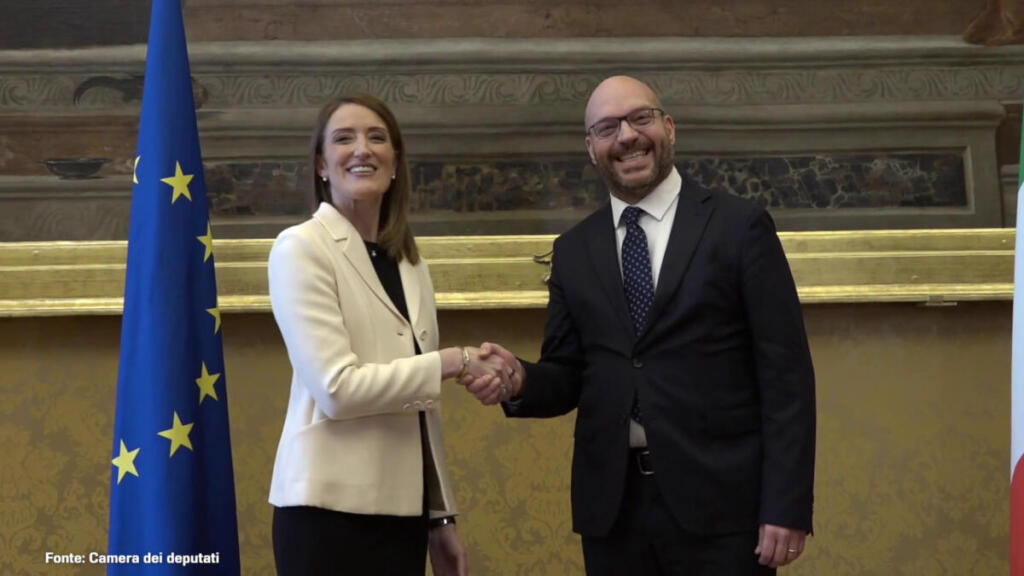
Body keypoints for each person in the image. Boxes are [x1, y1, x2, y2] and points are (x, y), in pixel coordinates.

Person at [461, 76, 816, 575]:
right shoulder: (574, 250)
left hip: (723, 511)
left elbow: (787, 378)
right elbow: (569, 373)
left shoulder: (739, 227)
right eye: (607, 128)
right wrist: (519, 379)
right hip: (615, 513)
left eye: (640, 119)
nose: (626, 136)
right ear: (591, 149)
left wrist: (785, 505)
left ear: (669, 128)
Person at [267, 94, 505, 576]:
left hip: (404, 518)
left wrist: (440, 516)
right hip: (326, 516)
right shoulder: (301, 248)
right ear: (321, 165)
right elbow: (338, 389)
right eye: (344, 138)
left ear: (395, 163)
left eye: (377, 137)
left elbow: (422, 410)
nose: (362, 149)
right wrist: (453, 361)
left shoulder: (410, 262)